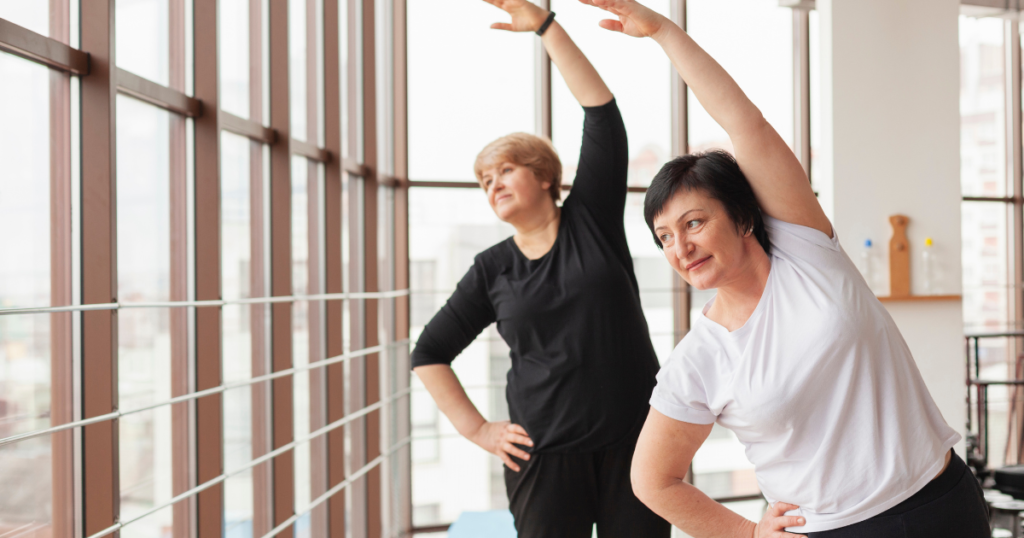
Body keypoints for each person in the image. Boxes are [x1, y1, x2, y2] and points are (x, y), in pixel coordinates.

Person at [577, 1, 991, 537]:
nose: (680, 246)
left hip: (941, 504)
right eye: (664, 238)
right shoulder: (699, 359)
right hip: (832, 530)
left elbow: (744, 124)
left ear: (743, 217)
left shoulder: (806, 253)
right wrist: (746, 534)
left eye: (695, 222)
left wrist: (663, 32)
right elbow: (653, 481)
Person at [409, 1, 670, 536]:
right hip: (544, 457)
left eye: (506, 169)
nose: (494, 184)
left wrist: (547, 28)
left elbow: (602, 116)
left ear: (546, 178)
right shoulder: (491, 269)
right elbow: (429, 353)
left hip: (636, 443)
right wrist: (478, 430)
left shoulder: (592, 220)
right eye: (485, 180)